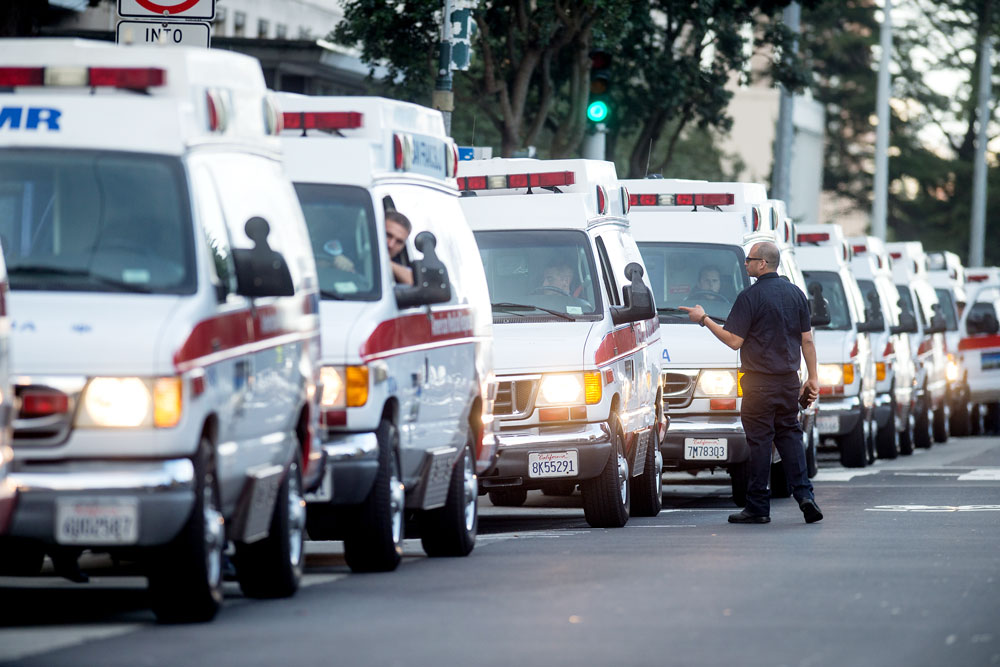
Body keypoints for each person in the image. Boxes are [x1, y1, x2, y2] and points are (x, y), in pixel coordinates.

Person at [679, 240, 823, 525]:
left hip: (758, 383)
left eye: (749, 259)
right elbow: (807, 340)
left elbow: (734, 341)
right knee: (790, 438)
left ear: (763, 264)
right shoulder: (796, 295)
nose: (745, 264)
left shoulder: (750, 297)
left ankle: (758, 506)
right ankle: (805, 496)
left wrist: (703, 319)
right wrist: (813, 377)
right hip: (788, 382)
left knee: (760, 442)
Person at [333, 210, 413, 285]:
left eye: (399, 242)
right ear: (375, 231)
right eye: (388, 235)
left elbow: (416, 283)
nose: (391, 245)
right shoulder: (351, 247)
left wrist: (386, 263)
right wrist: (335, 261)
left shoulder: (399, 263)